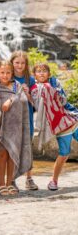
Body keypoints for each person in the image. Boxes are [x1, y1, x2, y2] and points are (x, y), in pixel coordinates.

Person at [30, 63, 78, 191]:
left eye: (44, 71)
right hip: (60, 126)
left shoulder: (54, 82)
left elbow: (63, 100)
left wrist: (51, 88)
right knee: (64, 155)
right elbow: (36, 103)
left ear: (49, 74)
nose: (41, 73)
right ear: (34, 75)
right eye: (38, 71)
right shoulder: (34, 88)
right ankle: (54, 180)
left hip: (72, 118)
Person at [0, 61, 32, 195]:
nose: (5, 75)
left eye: (8, 72)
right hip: (1, 126)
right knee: (2, 155)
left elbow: (21, 102)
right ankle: (1, 183)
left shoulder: (17, 86)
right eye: (2, 72)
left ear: (12, 73)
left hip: (16, 126)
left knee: (13, 154)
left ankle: (10, 182)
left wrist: (11, 100)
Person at [10, 50, 38, 191]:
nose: (19, 66)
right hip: (13, 118)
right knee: (13, 146)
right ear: (12, 63)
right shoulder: (7, 77)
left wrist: (27, 93)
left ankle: (29, 178)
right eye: (17, 63)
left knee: (27, 147)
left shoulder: (30, 80)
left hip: (27, 118)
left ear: (26, 64)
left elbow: (35, 103)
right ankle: (12, 178)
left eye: (22, 63)